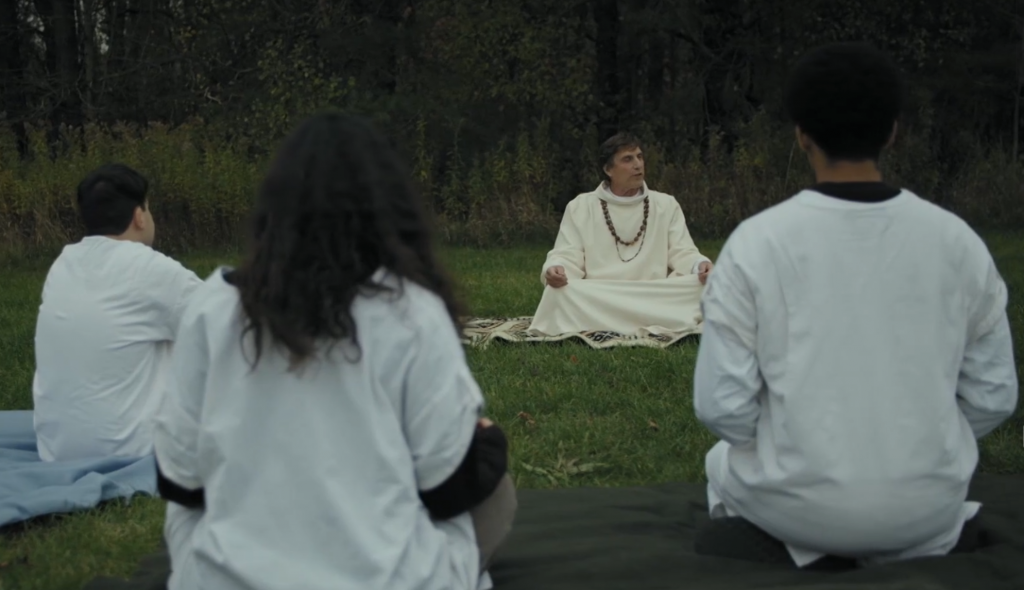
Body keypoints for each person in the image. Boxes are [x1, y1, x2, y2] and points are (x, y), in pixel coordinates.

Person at [152, 112, 517, 590]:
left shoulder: (211, 308)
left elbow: (178, 478)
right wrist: (486, 444)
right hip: (388, 579)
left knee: (188, 512)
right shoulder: (412, 314)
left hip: (227, 577)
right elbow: (446, 490)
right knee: (496, 491)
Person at [692, 42, 1018, 569]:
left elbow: (722, 407)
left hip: (795, 508)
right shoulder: (957, 242)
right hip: (927, 510)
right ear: (892, 130)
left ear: (801, 134)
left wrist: (799, 446)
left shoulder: (757, 243)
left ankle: (803, 549)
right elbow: (994, 395)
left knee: (720, 463)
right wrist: (918, 440)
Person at [31, 164, 203, 462]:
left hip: (56, 448)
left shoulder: (64, 263)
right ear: (139, 216)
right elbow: (229, 322)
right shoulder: (150, 268)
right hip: (130, 449)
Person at [527, 132, 713, 338]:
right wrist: (556, 269)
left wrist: (699, 264)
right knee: (557, 291)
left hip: (654, 293)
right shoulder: (581, 206)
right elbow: (567, 252)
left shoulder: (665, 204)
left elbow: (683, 250)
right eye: (628, 159)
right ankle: (650, 319)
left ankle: (608, 320)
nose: (638, 165)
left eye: (640, 157)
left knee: (704, 285)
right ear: (608, 169)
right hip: (602, 294)